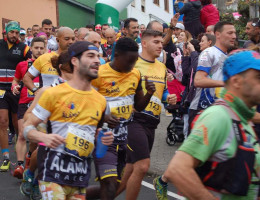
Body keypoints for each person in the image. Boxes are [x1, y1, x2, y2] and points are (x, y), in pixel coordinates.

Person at [163, 50, 260, 200]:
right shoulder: (219, 116)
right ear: (236, 81)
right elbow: (177, 169)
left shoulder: (244, 119)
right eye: (258, 77)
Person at [23, 41, 114, 199]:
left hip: (79, 180)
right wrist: (43, 137)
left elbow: (95, 138)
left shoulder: (101, 101)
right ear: (74, 61)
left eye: (98, 56)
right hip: (52, 176)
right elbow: (26, 126)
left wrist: (103, 140)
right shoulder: (54, 94)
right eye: (90, 56)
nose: (96, 61)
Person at [90, 37, 155, 200]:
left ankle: (75, 195)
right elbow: (85, 105)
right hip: (103, 135)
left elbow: (139, 106)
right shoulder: (99, 73)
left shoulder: (135, 73)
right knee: (110, 183)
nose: (131, 66)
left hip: (125, 137)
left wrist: (149, 93)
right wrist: (103, 117)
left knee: (113, 187)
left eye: (135, 62)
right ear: (116, 55)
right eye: (129, 61)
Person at [117, 30, 177, 200]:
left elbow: (163, 93)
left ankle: (106, 196)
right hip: (133, 120)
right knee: (143, 166)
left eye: (161, 42)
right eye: (156, 42)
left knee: (131, 168)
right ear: (143, 43)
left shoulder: (161, 67)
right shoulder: (132, 64)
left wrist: (169, 98)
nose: (160, 45)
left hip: (153, 122)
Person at [20, 50, 74, 200]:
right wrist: (43, 129)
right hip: (46, 132)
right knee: (45, 150)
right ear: (63, 67)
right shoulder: (46, 90)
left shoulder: (81, 89)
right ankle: (32, 175)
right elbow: (27, 117)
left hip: (68, 137)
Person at [188, 21, 236, 131]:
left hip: (219, 110)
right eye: (230, 33)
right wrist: (226, 83)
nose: (234, 36)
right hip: (202, 109)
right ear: (217, 34)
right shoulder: (209, 53)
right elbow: (198, 81)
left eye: (234, 33)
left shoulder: (228, 57)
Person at [11, 37, 46, 179]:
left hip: (41, 104)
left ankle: (29, 160)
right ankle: (20, 165)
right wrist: (14, 86)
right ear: (30, 48)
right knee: (21, 134)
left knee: (34, 140)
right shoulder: (21, 65)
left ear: (45, 49)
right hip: (24, 102)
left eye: (41, 48)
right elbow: (16, 79)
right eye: (36, 48)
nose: (38, 50)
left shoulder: (49, 64)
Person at [0, 21, 31, 172]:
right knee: (2, 121)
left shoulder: (24, 48)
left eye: (17, 33)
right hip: (0, 89)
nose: (14, 35)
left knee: (17, 125)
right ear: (5, 32)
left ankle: (21, 154)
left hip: (16, 90)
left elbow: (32, 65)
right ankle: (5, 157)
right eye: (11, 32)